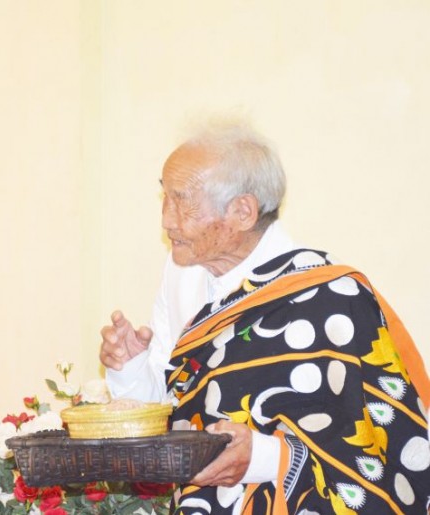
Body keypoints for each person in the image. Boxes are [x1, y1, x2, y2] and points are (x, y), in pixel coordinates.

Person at [99, 121, 430, 514]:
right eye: (164, 197)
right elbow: (172, 406)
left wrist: (263, 457)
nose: (167, 220)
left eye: (182, 200)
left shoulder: (329, 296)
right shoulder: (182, 275)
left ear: (242, 211)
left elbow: (375, 445)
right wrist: (131, 366)